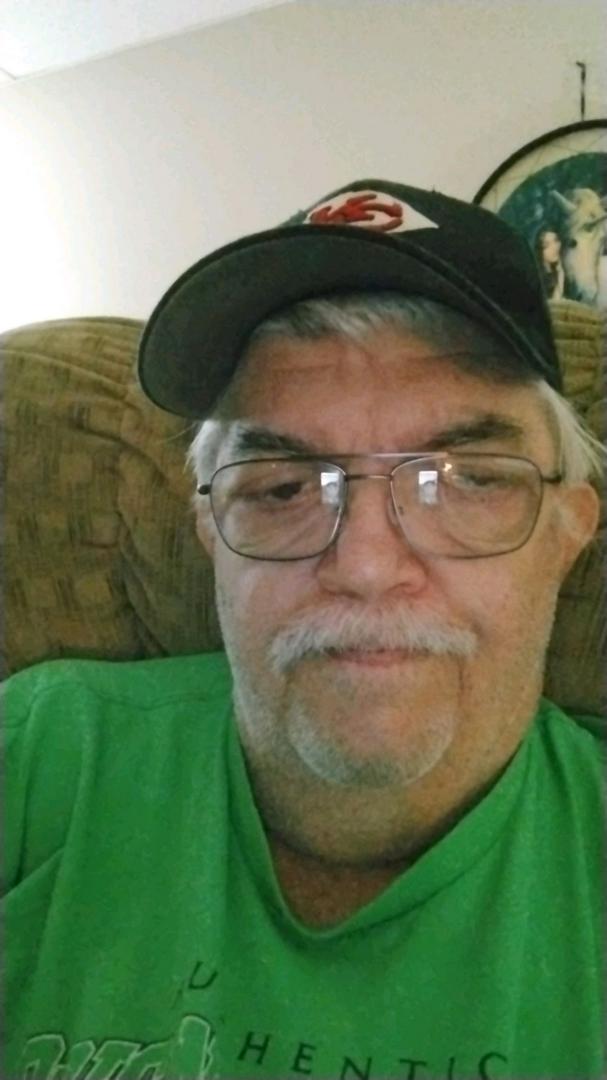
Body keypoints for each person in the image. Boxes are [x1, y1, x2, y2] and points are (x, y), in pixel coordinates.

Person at [3, 180, 605, 1080]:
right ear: (210, 532)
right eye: (282, 489)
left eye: (464, 480)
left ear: (567, 531)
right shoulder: (40, 752)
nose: (365, 566)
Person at [533, 226, 566, 300]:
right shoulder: (538, 277)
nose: (554, 247)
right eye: (547, 245)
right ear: (540, 250)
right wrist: (561, 275)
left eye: (556, 241)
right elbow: (556, 304)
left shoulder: (558, 269)